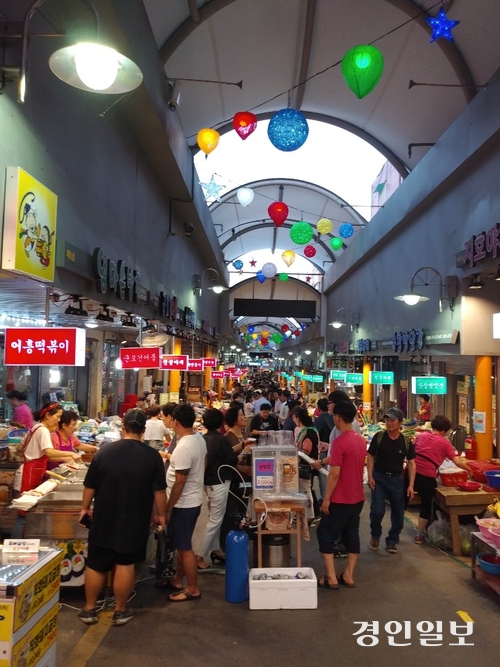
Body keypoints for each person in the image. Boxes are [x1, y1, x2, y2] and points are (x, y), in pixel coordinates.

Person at [78, 409, 167, 626]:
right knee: (125, 563)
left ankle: (90, 609)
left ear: (123, 428)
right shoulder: (152, 456)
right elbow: (159, 492)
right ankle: (120, 610)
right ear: (143, 431)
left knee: (97, 564)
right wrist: (162, 516)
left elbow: (90, 486)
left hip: (104, 516)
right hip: (135, 518)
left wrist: (84, 509)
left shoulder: (103, 452)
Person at [313, 401, 366, 588]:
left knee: (325, 534)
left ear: (339, 417)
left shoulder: (339, 442)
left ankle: (332, 577)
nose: (333, 417)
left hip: (340, 498)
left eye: (334, 415)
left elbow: (334, 473)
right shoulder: (360, 440)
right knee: (351, 534)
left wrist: (326, 499)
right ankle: (349, 575)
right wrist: (321, 462)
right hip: (358, 498)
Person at [159, 403, 206, 602]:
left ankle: (193, 588)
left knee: (185, 548)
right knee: (181, 545)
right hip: (192, 500)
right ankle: (178, 578)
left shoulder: (185, 446)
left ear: (175, 421)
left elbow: (180, 481)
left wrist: (167, 508)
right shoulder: (197, 439)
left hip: (184, 504)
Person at [12, 402, 82, 537]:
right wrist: (71, 454)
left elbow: (20, 448)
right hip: (28, 476)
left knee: (24, 517)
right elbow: (49, 452)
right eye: (57, 416)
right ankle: (16, 550)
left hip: (26, 471)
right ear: (48, 415)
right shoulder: (43, 430)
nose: (59, 420)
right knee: (23, 518)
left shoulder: (35, 427)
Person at [413, 415, 471, 544]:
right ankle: (419, 535)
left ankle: (394, 533)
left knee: (403, 501)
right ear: (445, 431)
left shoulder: (421, 436)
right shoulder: (444, 442)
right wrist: (469, 469)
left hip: (412, 473)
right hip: (427, 476)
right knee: (426, 505)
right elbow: (456, 461)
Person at [366, 407, 416, 554]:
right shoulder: (379, 437)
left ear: (400, 423)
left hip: (397, 480)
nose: (389, 423)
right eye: (387, 420)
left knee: (398, 513)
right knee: (377, 511)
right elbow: (370, 456)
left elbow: (412, 463)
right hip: (379, 477)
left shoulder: (406, 441)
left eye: (392, 420)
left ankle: (392, 540)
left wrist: (411, 485)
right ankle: (375, 535)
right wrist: (370, 476)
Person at [196, 409, 239, 570]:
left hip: (208, 482)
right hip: (219, 482)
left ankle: (215, 550)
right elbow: (231, 460)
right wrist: (244, 453)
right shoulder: (221, 440)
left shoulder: (203, 439)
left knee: (214, 517)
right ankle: (199, 556)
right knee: (215, 520)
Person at [293, 407, 320, 522]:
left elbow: (306, 450)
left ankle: (309, 515)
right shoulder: (310, 430)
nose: (294, 420)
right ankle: (303, 514)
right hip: (304, 465)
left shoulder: (308, 432)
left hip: (304, 466)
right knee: (303, 490)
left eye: (294, 417)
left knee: (306, 491)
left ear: (298, 418)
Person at [313, 398, 334, 501]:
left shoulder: (320, 420)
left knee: (323, 475)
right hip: (333, 449)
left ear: (318, 408)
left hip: (323, 451)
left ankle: (325, 497)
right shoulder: (334, 418)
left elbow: (315, 435)